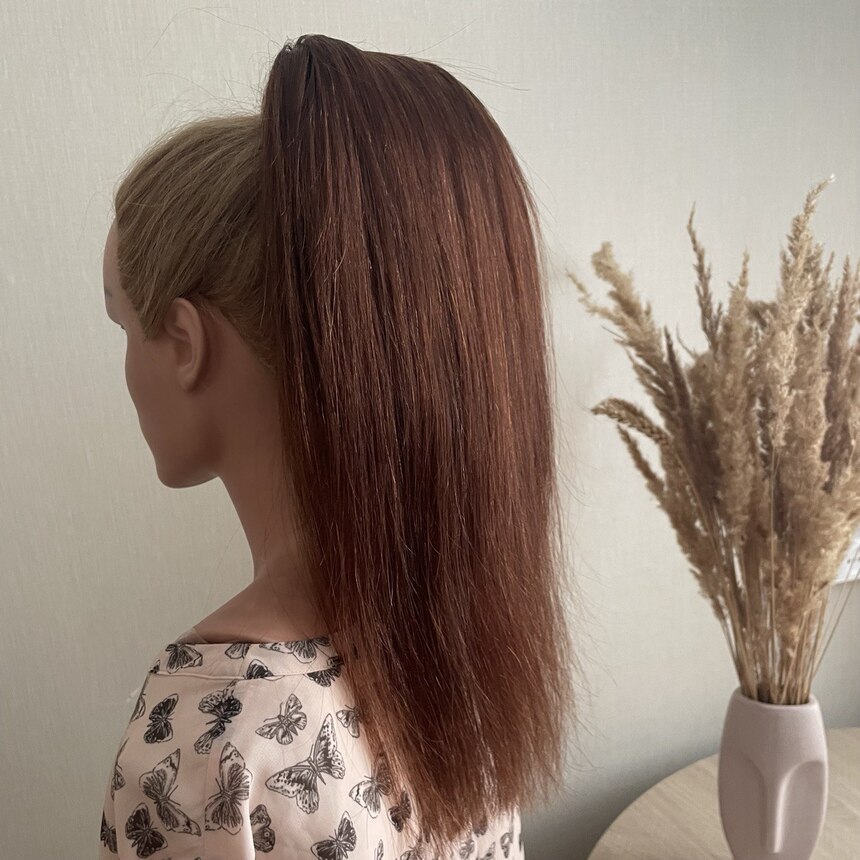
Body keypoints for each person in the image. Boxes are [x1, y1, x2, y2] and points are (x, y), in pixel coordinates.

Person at [97, 33, 581, 860]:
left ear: (182, 342)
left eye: (123, 324)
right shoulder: (466, 653)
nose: (123, 366)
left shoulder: (208, 749)